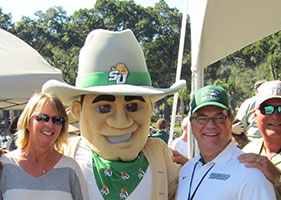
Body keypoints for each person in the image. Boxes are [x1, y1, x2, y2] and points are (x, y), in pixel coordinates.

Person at [42, 29, 184, 200]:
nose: (121, 121)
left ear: (150, 108)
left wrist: (197, 166)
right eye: (104, 108)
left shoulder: (161, 156)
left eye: (133, 106)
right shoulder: (62, 155)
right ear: (78, 111)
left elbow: (197, 188)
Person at [176, 85, 275, 200]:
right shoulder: (187, 169)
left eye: (219, 118)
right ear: (192, 125)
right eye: (202, 119)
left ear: (230, 123)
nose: (211, 125)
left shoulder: (250, 173)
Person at [0, 93, 87, 200]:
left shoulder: (71, 169)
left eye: (57, 120)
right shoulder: (3, 165)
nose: (50, 125)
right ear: (27, 122)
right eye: (42, 118)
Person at [232, 80, 267, 145]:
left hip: (252, 142)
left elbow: (240, 126)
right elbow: (239, 126)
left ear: (256, 91)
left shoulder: (248, 103)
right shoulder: (249, 103)